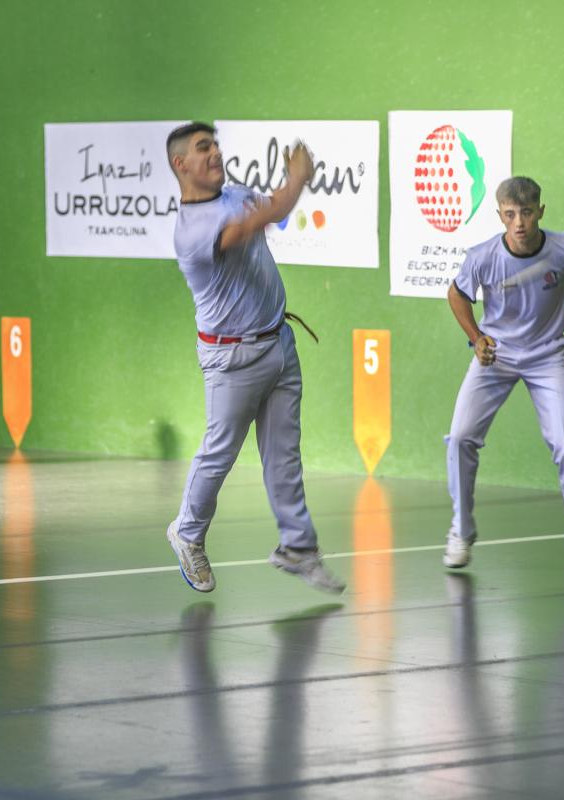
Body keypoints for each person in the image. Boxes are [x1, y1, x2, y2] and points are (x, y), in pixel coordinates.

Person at [163, 122, 344, 594]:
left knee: (284, 455)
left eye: (216, 145)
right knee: (220, 451)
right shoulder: (193, 230)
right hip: (232, 359)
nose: (215, 153)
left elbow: (272, 209)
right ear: (181, 164)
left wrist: (286, 190)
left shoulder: (237, 194)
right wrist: (297, 178)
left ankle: (298, 547)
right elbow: (265, 217)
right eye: (204, 148)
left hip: (279, 342)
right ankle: (187, 533)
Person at [443, 176, 564, 572]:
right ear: (500, 214)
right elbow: (457, 294)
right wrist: (477, 338)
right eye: (510, 214)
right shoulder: (483, 256)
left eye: (527, 213)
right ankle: (461, 531)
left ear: (540, 211)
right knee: (461, 438)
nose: (519, 223)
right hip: (496, 356)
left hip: (547, 357)